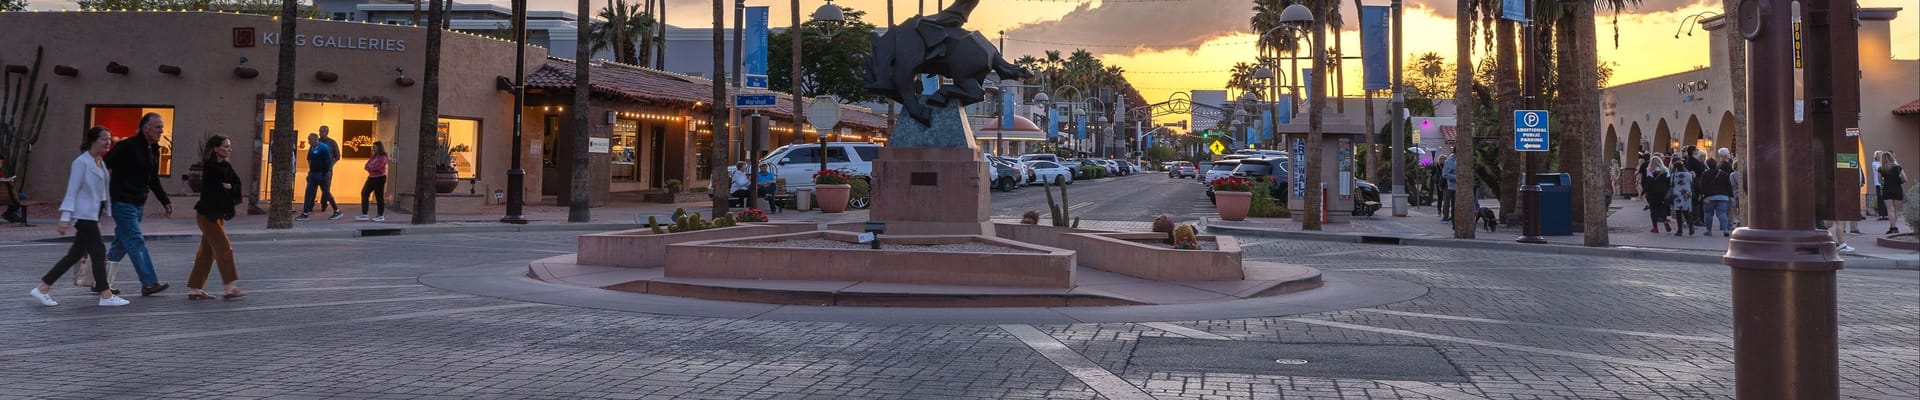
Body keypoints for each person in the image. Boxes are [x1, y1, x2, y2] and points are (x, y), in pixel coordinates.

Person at [30, 127, 131, 307]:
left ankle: (43, 287)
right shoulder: (81, 162)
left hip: (93, 215)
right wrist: (65, 218)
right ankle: (106, 295)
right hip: (83, 216)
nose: (108, 142)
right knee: (99, 252)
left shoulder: (99, 161)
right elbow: (72, 190)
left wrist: (100, 215)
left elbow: (101, 192)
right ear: (93, 140)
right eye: (103, 139)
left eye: (109, 139)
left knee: (74, 255)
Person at [103, 113, 172, 296]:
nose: (161, 130)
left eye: (161, 126)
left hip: (138, 202)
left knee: (121, 243)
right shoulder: (126, 146)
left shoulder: (154, 149)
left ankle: (101, 282)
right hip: (122, 201)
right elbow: (104, 165)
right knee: (135, 240)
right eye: (157, 127)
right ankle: (149, 283)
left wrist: (165, 201)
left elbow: (153, 179)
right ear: (145, 128)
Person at [187, 135, 246, 300]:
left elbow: (236, 185)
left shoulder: (227, 166)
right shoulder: (210, 168)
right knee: (224, 248)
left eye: (229, 146)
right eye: (225, 146)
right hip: (207, 215)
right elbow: (215, 190)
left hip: (218, 215)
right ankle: (229, 287)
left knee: (206, 252)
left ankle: (195, 289)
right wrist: (227, 187)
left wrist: (228, 187)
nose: (229, 149)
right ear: (216, 148)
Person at [298, 133, 337, 221]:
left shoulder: (323, 147)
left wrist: (324, 174)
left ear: (315, 140)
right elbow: (310, 160)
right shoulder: (312, 148)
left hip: (321, 173)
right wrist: (310, 172)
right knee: (309, 192)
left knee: (326, 192)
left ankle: (336, 210)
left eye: (310, 140)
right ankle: (305, 213)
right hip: (313, 173)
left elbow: (327, 161)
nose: (308, 142)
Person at [1698, 159, 1735, 237]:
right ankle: (1725, 230)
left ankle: (1708, 230)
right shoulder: (1724, 174)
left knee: (1708, 213)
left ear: (1707, 165)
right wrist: (1731, 196)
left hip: (1709, 197)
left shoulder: (1705, 174)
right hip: (1723, 196)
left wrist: (1702, 195)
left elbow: (1702, 186)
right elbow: (1729, 186)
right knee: (1722, 213)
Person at [357, 142, 389, 222]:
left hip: (380, 178)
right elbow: (366, 165)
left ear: (379, 147)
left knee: (379, 196)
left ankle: (380, 215)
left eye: (374, 147)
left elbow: (378, 167)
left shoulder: (383, 157)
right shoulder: (373, 156)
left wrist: (371, 167)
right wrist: (370, 167)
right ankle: (364, 214)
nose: (373, 149)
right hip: (371, 177)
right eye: (373, 147)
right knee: (364, 192)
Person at [316, 126, 342, 219]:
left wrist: (331, 164)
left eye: (322, 131)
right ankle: (309, 206)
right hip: (317, 168)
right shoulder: (317, 142)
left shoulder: (332, 142)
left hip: (327, 169)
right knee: (313, 186)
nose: (320, 133)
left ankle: (324, 204)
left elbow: (337, 155)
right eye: (319, 131)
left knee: (326, 188)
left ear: (327, 132)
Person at [1642, 156, 1673, 233]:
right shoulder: (1666, 170)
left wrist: (1643, 192)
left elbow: (1649, 182)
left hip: (1652, 193)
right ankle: (1665, 221)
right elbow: (1669, 182)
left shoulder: (1649, 170)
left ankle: (1655, 228)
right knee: (1662, 208)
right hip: (1663, 192)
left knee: (1653, 210)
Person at [1878, 151, 1906, 234]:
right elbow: (1905, 179)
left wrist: (1886, 181)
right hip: (1897, 189)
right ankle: (1894, 227)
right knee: (1896, 210)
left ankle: (1892, 227)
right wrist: (1898, 181)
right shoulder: (1898, 167)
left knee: (1890, 210)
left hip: (1887, 189)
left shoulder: (1881, 169)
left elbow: (1880, 181)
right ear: (1891, 158)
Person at [1438, 154, 1456, 222]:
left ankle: (1448, 217)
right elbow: (1443, 176)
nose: (1442, 160)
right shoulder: (1448, 163)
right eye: (1441, 159)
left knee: (1448, 202)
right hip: (1447, 185)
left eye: (1443, 159)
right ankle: (1447, 217)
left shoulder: (1445, 164)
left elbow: (1442, 176)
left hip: (1448, 185)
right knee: (1447, 202)